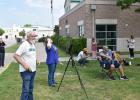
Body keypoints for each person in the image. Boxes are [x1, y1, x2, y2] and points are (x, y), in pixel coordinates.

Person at [13, 31, 38, 100]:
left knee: (30, 89)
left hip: (33, 70)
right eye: (32, 36)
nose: (34, 38)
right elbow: (16, 56)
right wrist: (24, 64)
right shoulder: (24, 44)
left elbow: (32, 55)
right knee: (26, 90)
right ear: (28, 36)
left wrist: (36, 60)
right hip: (26, 71)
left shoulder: (33, 44)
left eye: (35, 36)